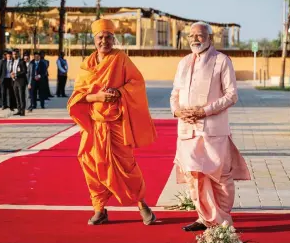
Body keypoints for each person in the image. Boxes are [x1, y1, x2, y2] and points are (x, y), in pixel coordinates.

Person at [67, 19, 157, 226]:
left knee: (127, 165)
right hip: (93, 126)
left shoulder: (121, 58)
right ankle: (99, 209)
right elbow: (78, 97)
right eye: (100, 37)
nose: (104, 41)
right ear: (94, 40)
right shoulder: (86, 65)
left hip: (116, 123)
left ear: (113, 39)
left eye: (108, 37)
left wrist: (118, 92)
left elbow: (137, 83)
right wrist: (97, 97)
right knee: (91, 165)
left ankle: (142, 205)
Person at [170, 21, 251, 232]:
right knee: (193, 175)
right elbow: (175, 93)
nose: (195, 39)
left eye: (200, 35)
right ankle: (203, 216)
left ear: (210, 38)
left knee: (220, 176)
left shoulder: (222, 61)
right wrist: (177, 111)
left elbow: (232, 95)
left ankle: (221, 220)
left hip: (213, 129)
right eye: (192, 36)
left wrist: (204, 111)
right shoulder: (184, 62)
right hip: (187, 129)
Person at [11, 49, 28, 116]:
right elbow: (13, 70)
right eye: (13, 54)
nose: (14, 55)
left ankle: (22, 111)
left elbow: (24, 71)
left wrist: (16, 74)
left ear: (18, 54)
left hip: (21, 81)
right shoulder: (13, 61)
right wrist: (12, 74)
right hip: (15, 81)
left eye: (15, 54)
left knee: (21, 97)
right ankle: (18, 110)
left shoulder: (22, 62)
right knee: (17, 96)